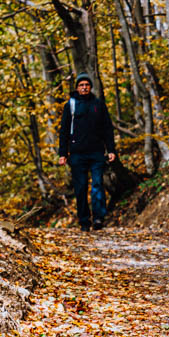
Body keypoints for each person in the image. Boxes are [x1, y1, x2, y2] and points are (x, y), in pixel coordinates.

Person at [58, 73, 116, 231]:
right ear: (77, 87)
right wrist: (63, 153)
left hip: (97, 152)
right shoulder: (70, 105)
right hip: (77, 154)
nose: (84, 87)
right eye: (81, 85)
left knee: (97, 184)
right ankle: (84, 220)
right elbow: (63, 131)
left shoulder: (98, 104)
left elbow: (107, 128)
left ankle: (98, 218)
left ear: (91, 87)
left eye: (87, 85)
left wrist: (111, 149)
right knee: (81, 187)